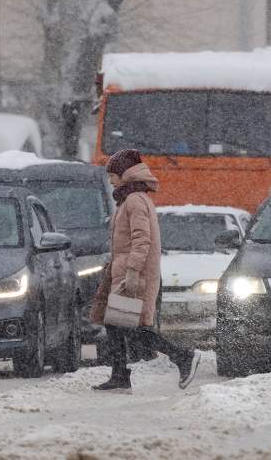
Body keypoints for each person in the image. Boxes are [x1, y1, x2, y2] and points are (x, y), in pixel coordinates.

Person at [90, 149, 202, 392]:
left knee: (134, 328)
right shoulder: (129, 198)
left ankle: (183, 356)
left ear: (125, 174)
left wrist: (132, 272)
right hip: (124, 271)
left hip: (135, 274)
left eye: (113, 175)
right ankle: (119, 375)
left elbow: (142, 240)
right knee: (116, 323)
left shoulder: (134, 200)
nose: (110, 179)